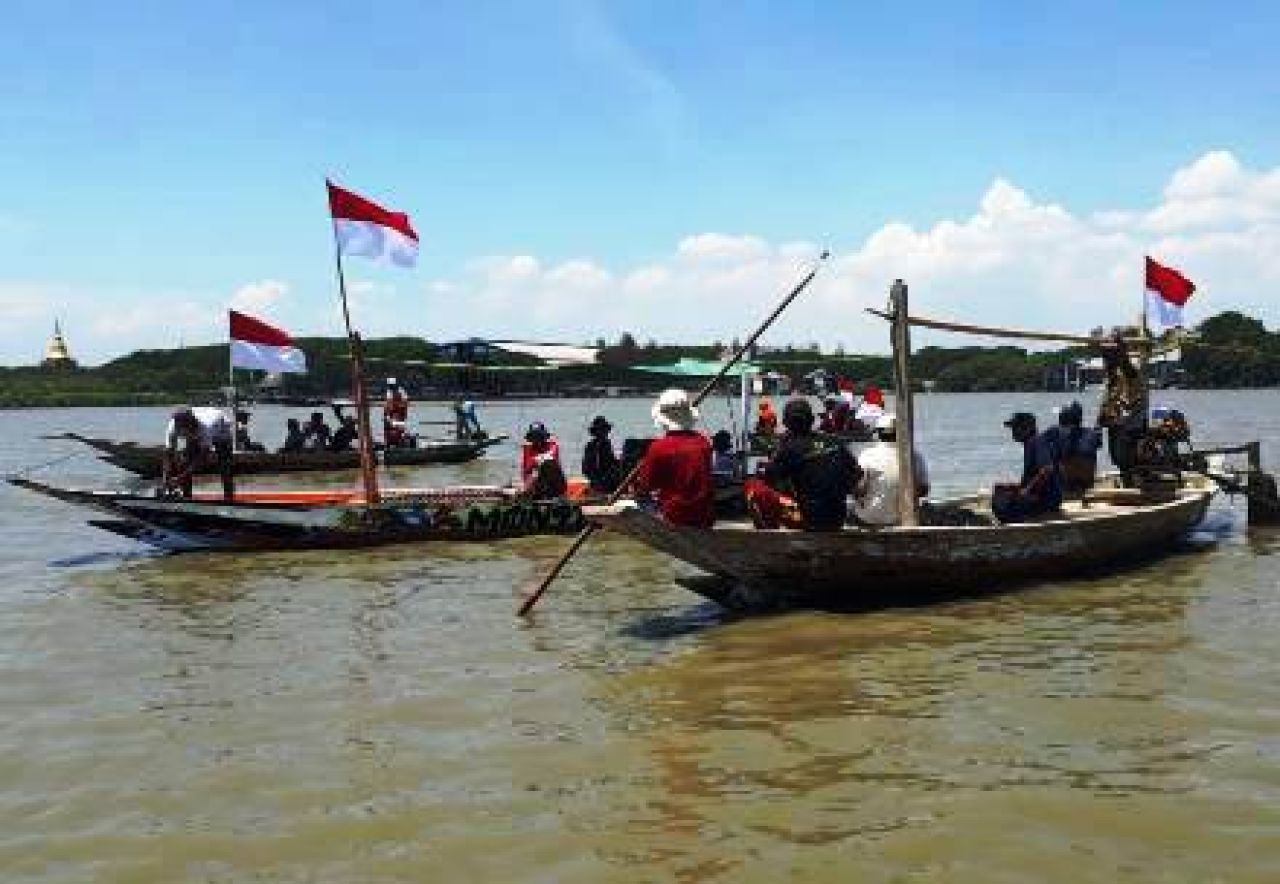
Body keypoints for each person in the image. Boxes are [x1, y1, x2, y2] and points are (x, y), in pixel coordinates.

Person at [745, 398, 862, 531]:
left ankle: (768, 536)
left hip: (809, 520)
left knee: (753, 486)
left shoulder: (789, 447)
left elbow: (770, 478)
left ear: (785, 423)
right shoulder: (834, 441)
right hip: (838, 518)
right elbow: (857, 473)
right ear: (812, 420)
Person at [632, 389, 715, 528]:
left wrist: (637, 488)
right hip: (704, 515)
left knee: (641, 500)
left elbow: (646, 486)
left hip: (676, 515)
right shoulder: (704, 442)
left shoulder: (658, 447)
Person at [852, 414, 930, 526]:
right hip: (903, 519)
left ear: (879, 433)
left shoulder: (867, 455)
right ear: (902, 432)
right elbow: (924, 490)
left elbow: (857, 491)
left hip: (869, 518)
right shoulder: (915, 456)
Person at [992, 411, 1063, 523]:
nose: (1013, 432)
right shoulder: (1031, 443)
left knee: (1000, 503)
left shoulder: (1036, 442)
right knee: (1000, 490)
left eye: (1016, 428)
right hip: (1044, 496)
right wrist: (1014, 487)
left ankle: (1023, 523)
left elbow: (1047, 469)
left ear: (1027, 428)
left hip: (1047, 500)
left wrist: (1026, 490)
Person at [161, 405, 234, 500]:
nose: (183, 433)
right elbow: (168, 454)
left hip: (221, 430)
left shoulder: (206, 427)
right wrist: (165, 478)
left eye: (186, 429)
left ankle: (229, 498)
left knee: (225, 466)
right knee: (185, 461)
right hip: (200, 426)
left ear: (191, 424)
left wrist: (181, 477)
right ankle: (187, 496)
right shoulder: (172, 427)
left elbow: (202, 457)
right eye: (181, 429)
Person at [1046, 401, 1102, 495]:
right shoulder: (1092, 434)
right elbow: (1097, 442)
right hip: (1087, 482)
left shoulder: (1055, 433)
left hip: (1067, 483)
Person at [581, 415, 622, 495]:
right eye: (603, 430)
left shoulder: (592, 445)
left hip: (598, 481)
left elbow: (585, 469)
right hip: (604, 482)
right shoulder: (602, 445)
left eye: (605, 430)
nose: (605, 433)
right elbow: (607, 464)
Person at [520, 422, 563, 491]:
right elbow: (527, 468)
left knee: (547, 463)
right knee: (534, 472)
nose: (537, 439)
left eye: (539, 436)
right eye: (534, 436)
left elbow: (550, 457)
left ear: (544, 437)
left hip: (553, 482)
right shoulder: (527, 449)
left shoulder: (552, 445)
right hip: (534, 484)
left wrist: (538, 460)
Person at [383, 379, 411, 448]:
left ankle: (399, 443)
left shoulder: (401, 391)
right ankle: (388, 443)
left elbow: (405, 403)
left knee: (399, 429)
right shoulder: (389, 392)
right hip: (392, 414)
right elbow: (388, 403)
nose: (391, 387)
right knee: (389, 428)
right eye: (390, 386)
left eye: (392, 386)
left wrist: (399, 408)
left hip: (399, 414)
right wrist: (387, 413)